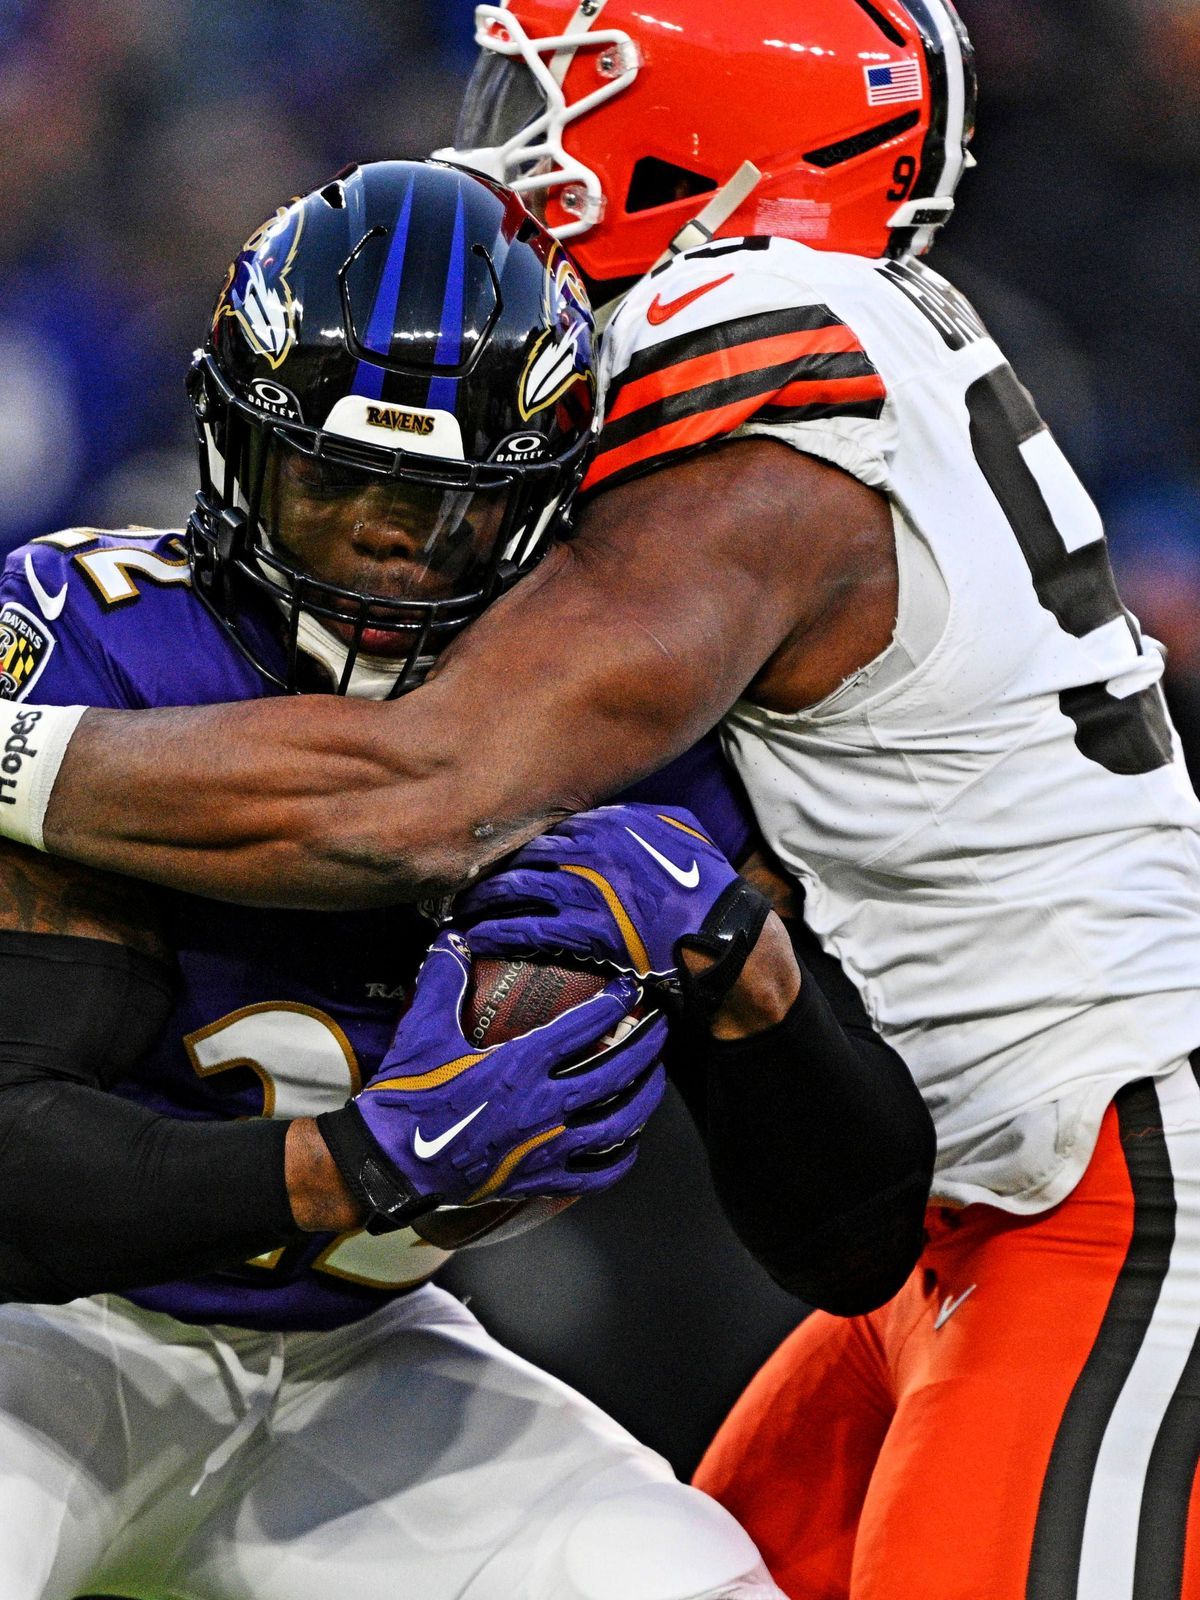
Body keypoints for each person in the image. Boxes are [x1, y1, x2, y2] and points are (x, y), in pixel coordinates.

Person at [0, 1, 1186, 1594]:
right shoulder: (113, 632)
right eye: (336, 479)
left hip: (1080, 1170)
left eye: (440, 500)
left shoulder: (731, 414)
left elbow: (426, 793)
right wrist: (353, 1168)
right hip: (65, 1338)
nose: (386, 542)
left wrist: (745, 986)